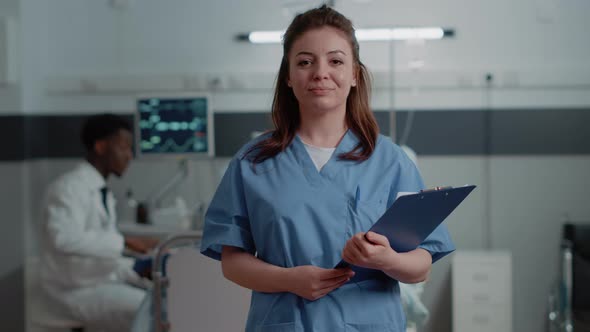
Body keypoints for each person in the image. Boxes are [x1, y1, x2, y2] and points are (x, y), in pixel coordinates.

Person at [200, 5, 455, 331]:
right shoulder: (253, 161)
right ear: (289, 77)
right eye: (305, 62)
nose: (320, 72)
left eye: (335, 61)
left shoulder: (390, 161)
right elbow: (232, 262)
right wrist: (288, 279)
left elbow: (421, 266)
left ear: (354, 75)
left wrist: (384, 259)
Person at [39, 113, 157, 332]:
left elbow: (101, 259)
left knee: (158, 301)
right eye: (123, 147)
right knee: (154, 312)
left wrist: (138, 269)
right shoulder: (68, 188)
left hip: (95, 283)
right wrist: (124, 243)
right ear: (101, 146)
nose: (129, 156)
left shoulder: (101, 193)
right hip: (71, 294)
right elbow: (63, 239)